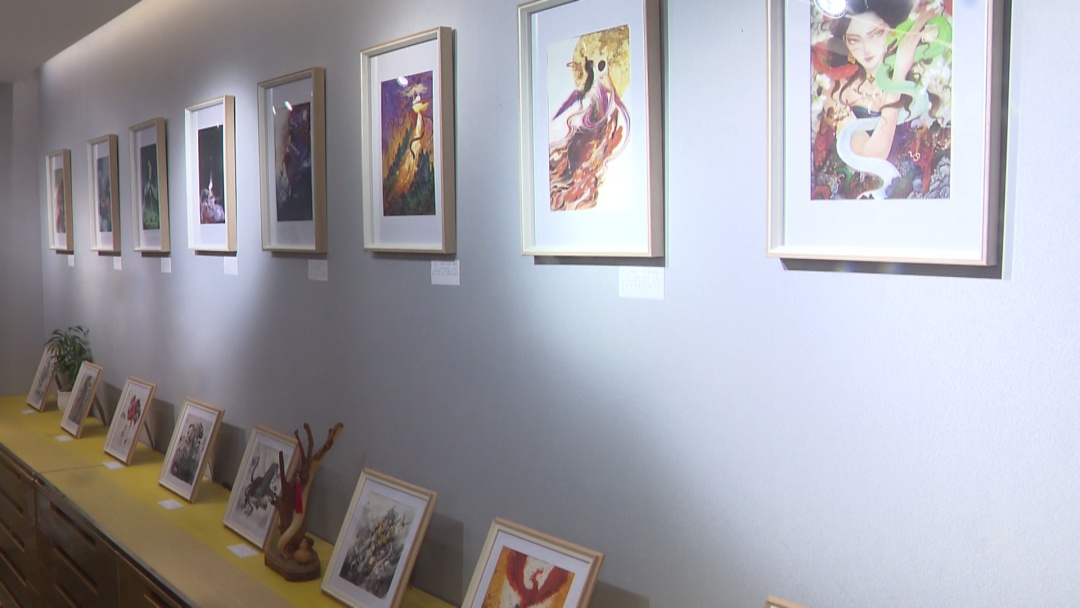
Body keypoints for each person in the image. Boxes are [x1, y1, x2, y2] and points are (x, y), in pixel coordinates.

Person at [811, 0, 952, 200]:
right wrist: (897, 78)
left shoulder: (919, 79)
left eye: (875, 34)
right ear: (845, 42)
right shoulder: (837, 91)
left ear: (892, 32)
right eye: (854, 40)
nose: (866, 49)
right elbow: (872, 157)